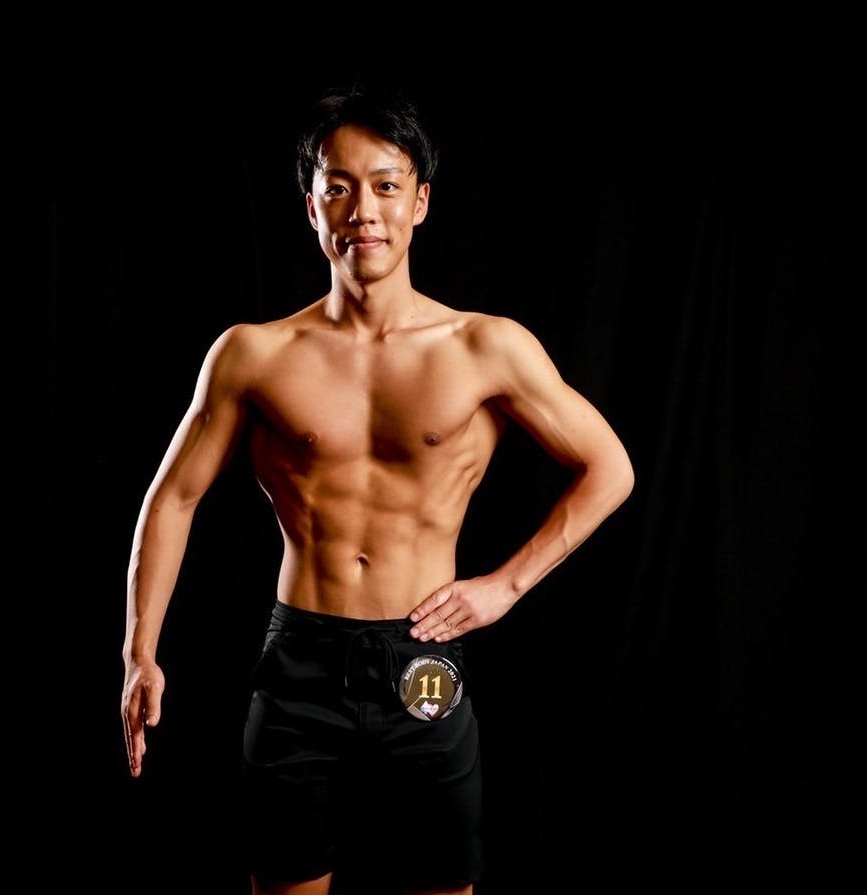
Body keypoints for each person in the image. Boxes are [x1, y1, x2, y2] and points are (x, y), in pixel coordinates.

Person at [121, 83, 635, 895]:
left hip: (423, 659)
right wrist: (139, 650)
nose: (363, 210)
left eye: (386, 185)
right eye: (339, 186)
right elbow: (173, 497)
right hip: (299, 664)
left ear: (419, 202)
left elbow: (610, 466)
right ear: (311, 206)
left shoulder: (484, 348)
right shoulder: (254, 355)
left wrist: (505, 586)